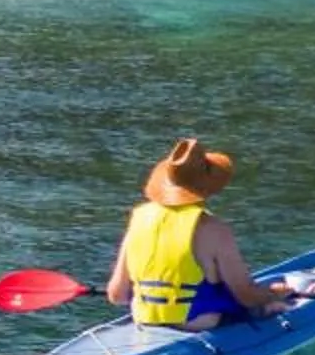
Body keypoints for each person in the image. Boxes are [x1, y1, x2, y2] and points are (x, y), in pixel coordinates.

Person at [106, 137, 295, 330]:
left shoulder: (138, 218)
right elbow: (245, 295)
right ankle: (273, 309)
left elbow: (117, 295)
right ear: (208, 187)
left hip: (145, 321)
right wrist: (273, 293)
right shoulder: (213, 229)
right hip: (196, 323)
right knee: (265, 306)